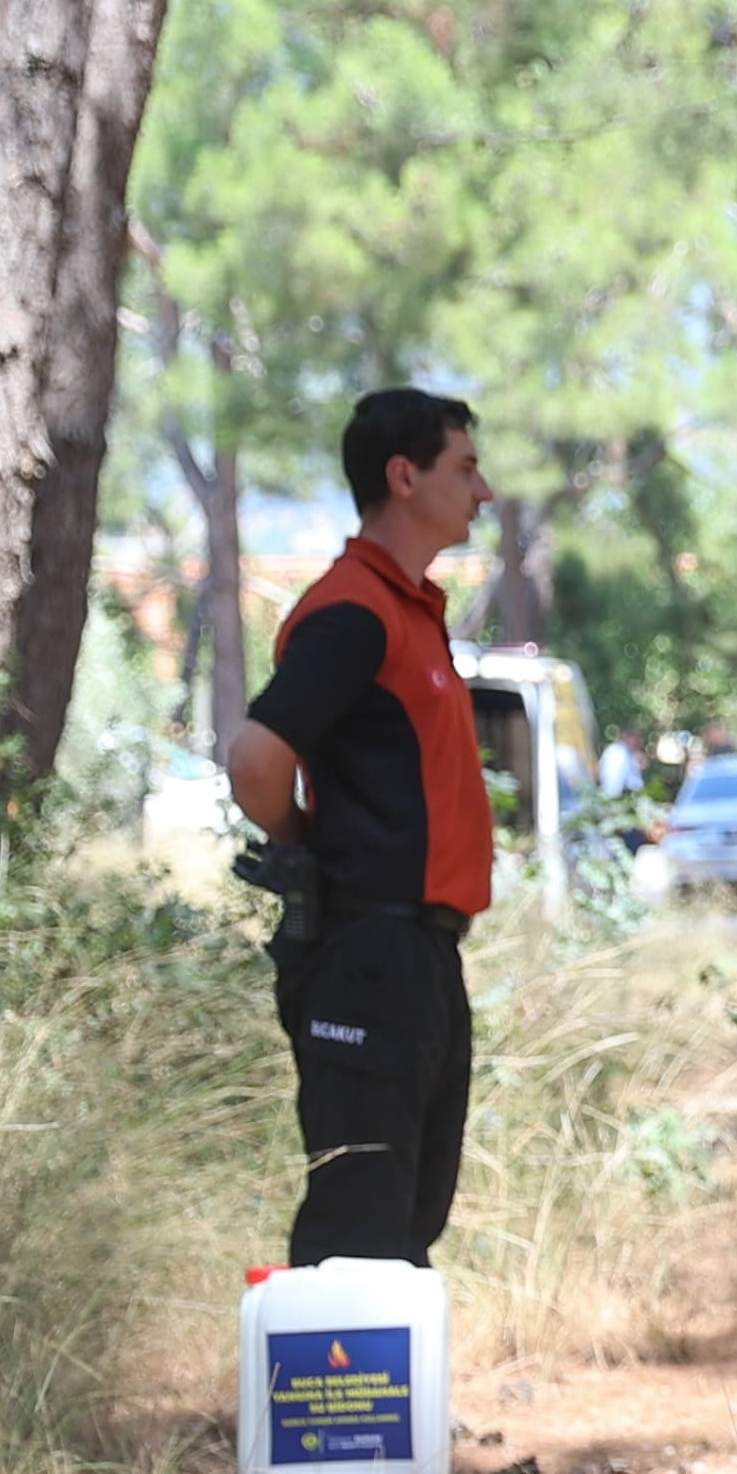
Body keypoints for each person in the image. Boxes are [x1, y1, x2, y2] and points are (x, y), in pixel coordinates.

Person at [228, 390, 500, 1267]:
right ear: (403, 474)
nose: (483, 490)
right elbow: (256, 760)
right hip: (365, 955)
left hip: (420, 956)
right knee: (357, 1223)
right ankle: (326, 1405)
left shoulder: (412, 608)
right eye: (465, 467)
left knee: (408, 1218)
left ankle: (394, 1411)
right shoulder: (354, 611)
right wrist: (303, 845)